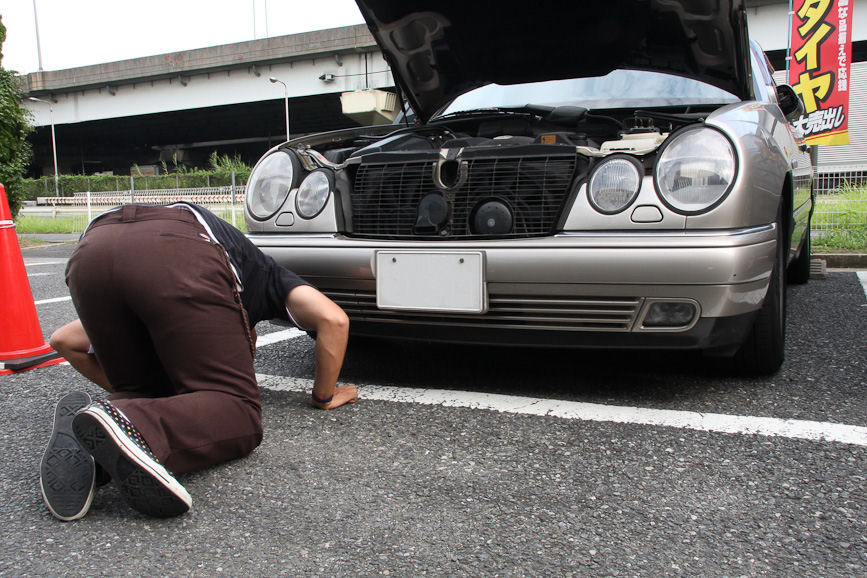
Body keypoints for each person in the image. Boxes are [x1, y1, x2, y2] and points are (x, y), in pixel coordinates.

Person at [39, 202, 357, 521]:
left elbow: (64, 341)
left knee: (145, 393)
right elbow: (334, 319)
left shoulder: (220, 285)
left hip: (91, 252)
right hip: (174, 248)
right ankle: (128, 420)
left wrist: (142, 398)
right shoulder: (271, 277)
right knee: (237, 409)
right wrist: (324, 396)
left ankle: (110, 425)